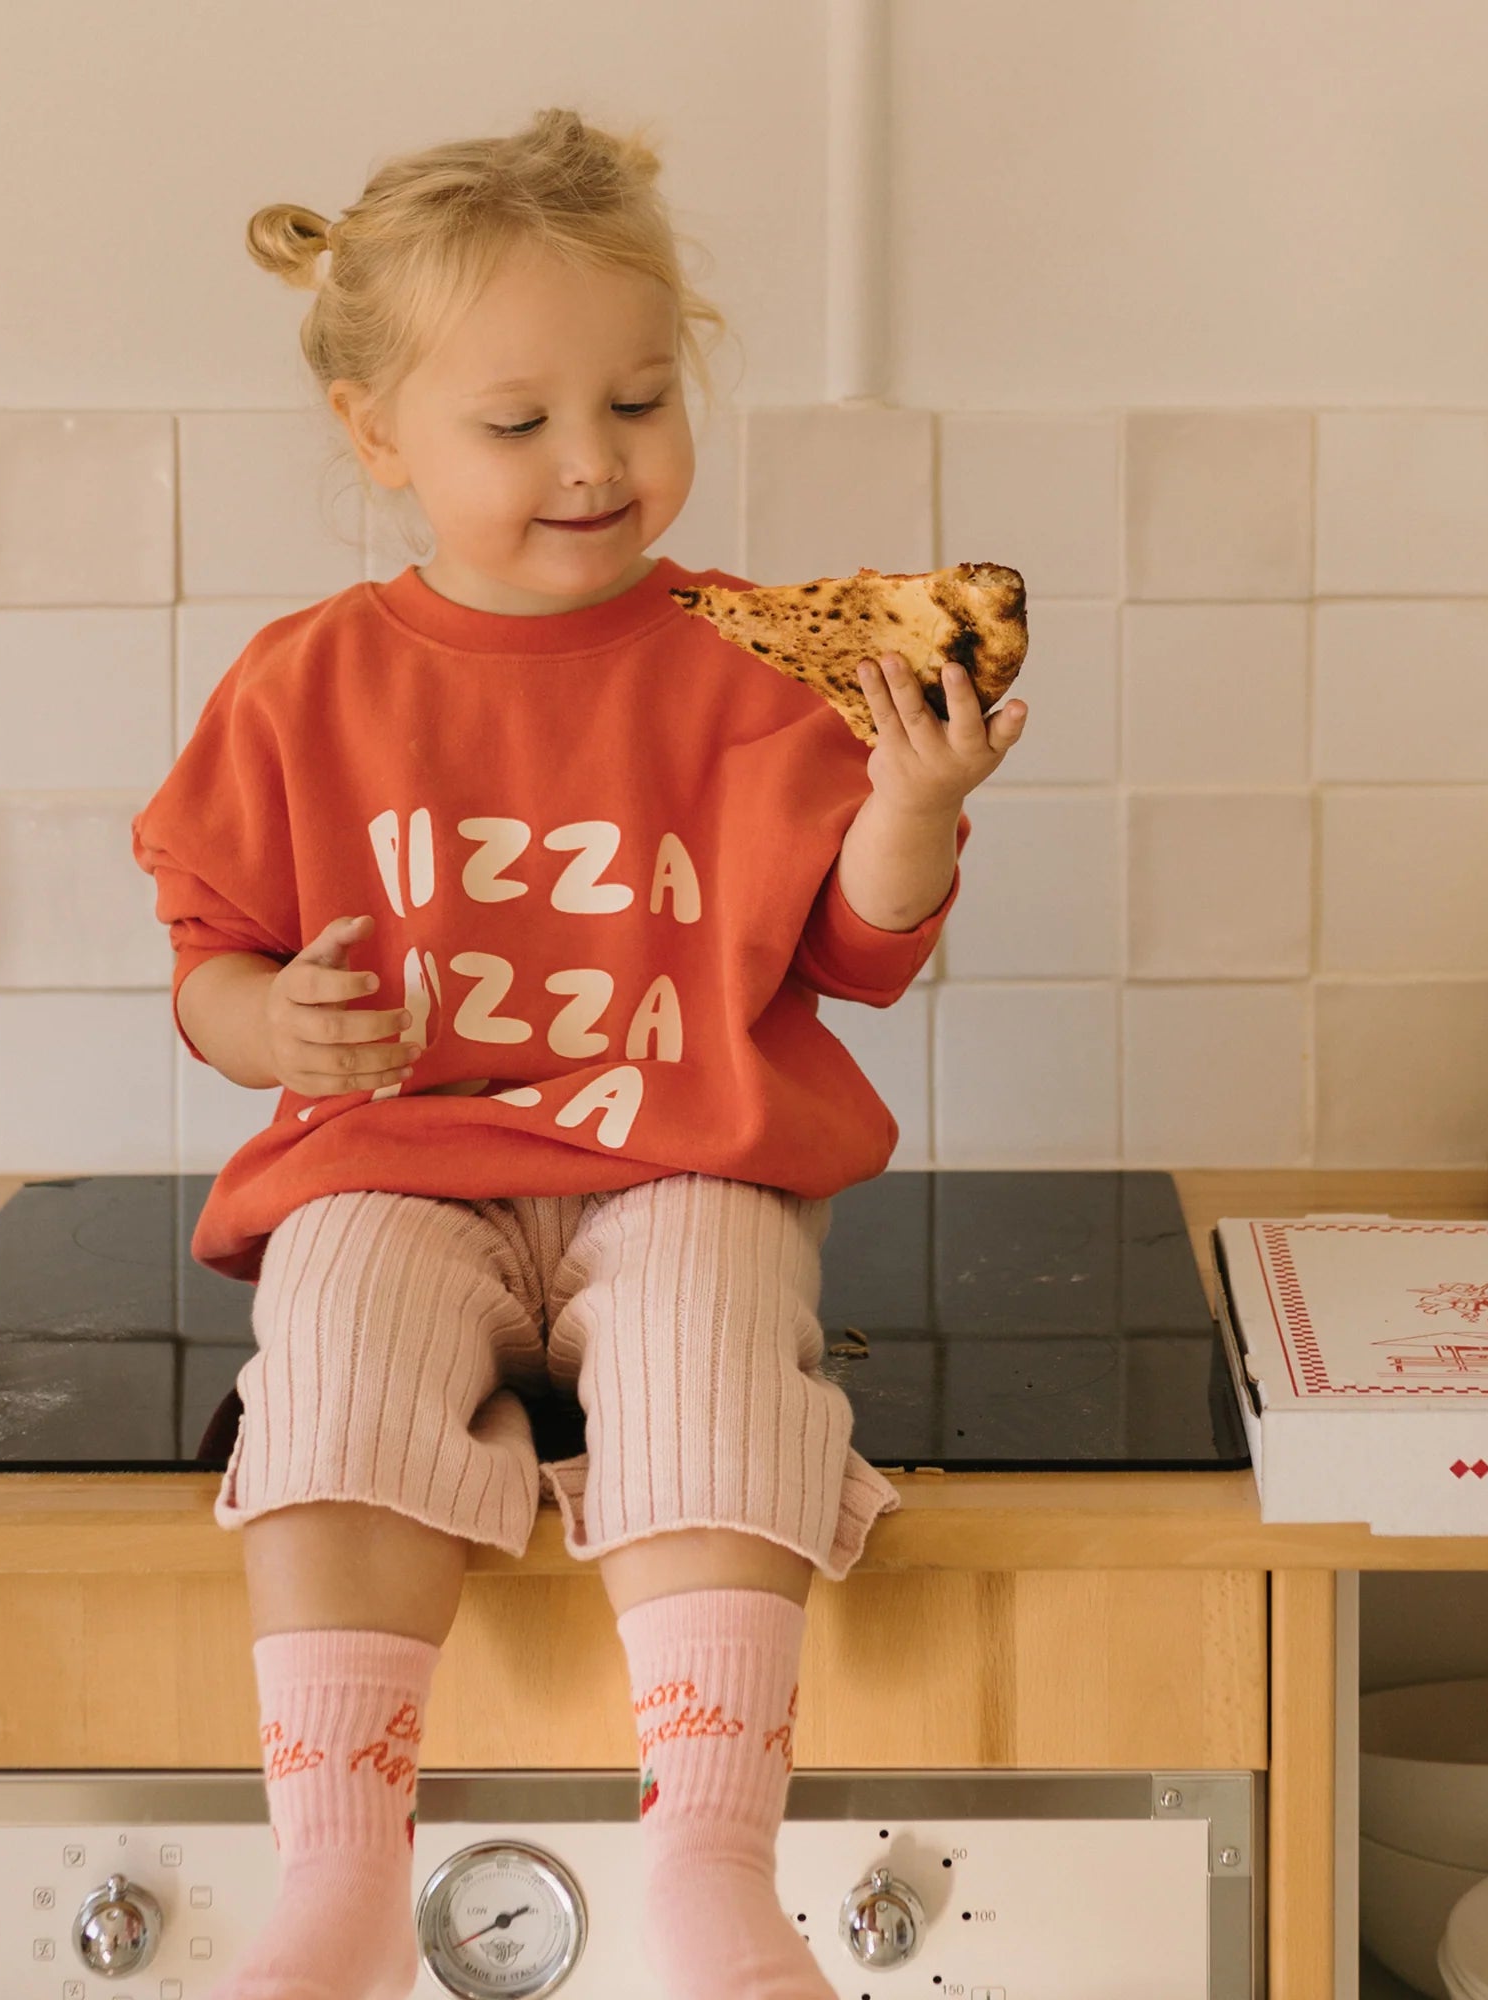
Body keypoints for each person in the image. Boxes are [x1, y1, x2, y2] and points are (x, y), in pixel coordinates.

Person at [131, 104, 1027, 2000]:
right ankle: (338, 1879)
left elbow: (858, 953)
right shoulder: (307, 684)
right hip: (395, 1164)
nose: (594, 463)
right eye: (518, 424)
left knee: (711, 1358)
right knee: (333, 1382)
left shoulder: (757, 659)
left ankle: (709, 1867)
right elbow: (213, 956)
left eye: (636, 402)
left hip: (683, 1161)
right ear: (378, 437)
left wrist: (921, 805)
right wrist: (270, 1019)